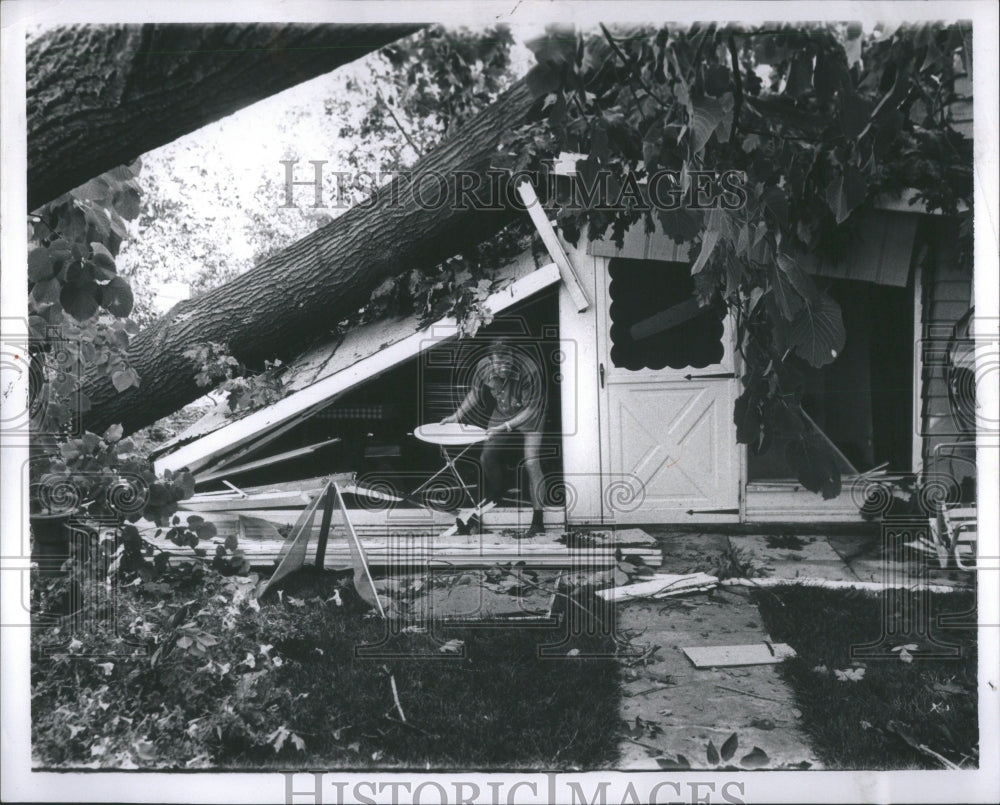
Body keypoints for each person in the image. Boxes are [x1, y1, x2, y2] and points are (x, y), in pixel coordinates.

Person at [440, 338, 547, 538]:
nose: (502, 369)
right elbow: (474, 392)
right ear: (490, 360)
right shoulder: (483, 366)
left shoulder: (530, 370)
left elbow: (531, 408)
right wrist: (456, 416)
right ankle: (499, 493)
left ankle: (538, 520)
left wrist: (504, 427)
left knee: (532, 462)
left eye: (507, 363)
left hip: (530, 414)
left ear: (514, 357)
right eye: (498, 363)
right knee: (486, 457)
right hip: (503, 410)